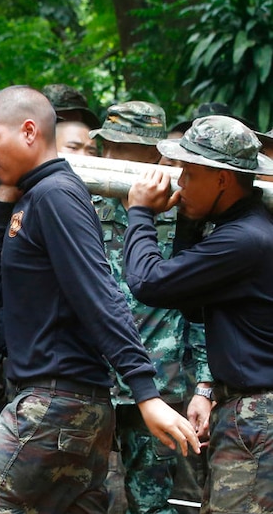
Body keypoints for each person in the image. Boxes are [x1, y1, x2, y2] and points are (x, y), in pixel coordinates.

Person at [0, 86, 199, 514]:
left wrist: (145, 392)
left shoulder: (57, 195)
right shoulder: (34, 196)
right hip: (69, 403)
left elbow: (99, 294)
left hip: (55, 403)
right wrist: (3, 202)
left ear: (29, 131)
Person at [123, 115, 273, 513]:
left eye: (188, 174)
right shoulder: (240, 231)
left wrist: (139, 214)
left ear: (222, 179)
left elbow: (148, 283)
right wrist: (189, 223)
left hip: (259, 414)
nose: (180, 184)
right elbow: (188, 304)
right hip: (243, 409)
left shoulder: (244, 240)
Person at [89, 101, 213, 514]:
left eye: (122, 145)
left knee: (153, 503)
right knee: (78, 497)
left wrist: (204, 385)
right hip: (92, 381)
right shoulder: (84, 206)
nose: (110, 155)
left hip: (159, 386)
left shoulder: (186, 216)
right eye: (107, 144)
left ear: (153, 154)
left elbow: (203, 309)